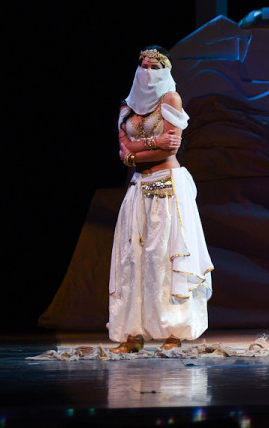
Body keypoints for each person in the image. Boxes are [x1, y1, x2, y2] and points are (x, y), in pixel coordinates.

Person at [108, 46, 214, 353]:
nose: (148, 71)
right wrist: (148, 145)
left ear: (165, 71)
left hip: (167, 186)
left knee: (166, 257)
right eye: (144, 65)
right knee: (132, 259)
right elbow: (124, 151)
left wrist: (135, 151)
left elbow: (170, 148)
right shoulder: (127, 107)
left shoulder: (171, 99)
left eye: (155, 67)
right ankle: (132, 335)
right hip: (138, 187)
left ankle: (174, 333)